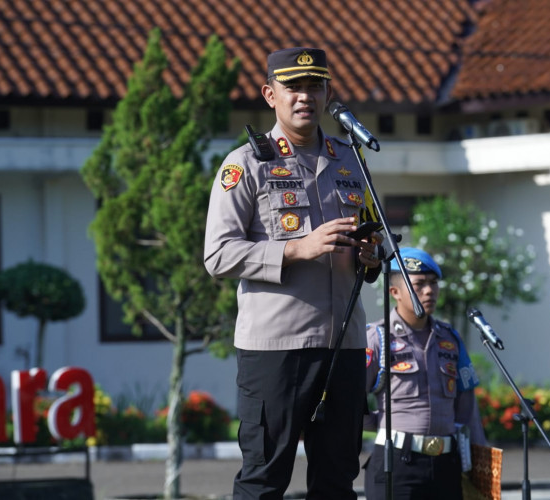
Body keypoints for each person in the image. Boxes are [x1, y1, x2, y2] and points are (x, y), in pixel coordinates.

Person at [204, 47, 382, 499]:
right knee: (265, 480)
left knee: (338, 481)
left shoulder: (351, 161)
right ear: (270, 95)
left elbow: (371, 243)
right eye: (293, 87)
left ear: (329, 93)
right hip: (276, 350)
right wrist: (296, 249)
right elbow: (218, 254)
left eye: (315, 86)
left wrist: (370, 256)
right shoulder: (245, 164)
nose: (305, 96)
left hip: (344, 344)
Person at [363, 247, 487, 500]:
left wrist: (480, 460)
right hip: (396, 462)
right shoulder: (377, 337)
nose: (429, 291)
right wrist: (380, 422)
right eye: (419, 284)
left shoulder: (450, 338)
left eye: (433, 283)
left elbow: (467, 405)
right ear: (394, 292)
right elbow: (348, 399)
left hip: (446, 464)